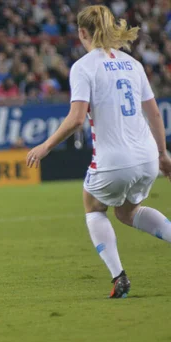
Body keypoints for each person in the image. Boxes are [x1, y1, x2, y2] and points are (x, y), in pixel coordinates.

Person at [26, 5, 171, 298]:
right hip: (146, 156)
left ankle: (119, 277)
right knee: (127, 212)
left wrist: (45, 146)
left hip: (115, 159)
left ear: (82, 32)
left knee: (93, 206)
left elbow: (77, 118)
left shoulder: (83, 67)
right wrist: (163, 154)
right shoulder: (133, 63)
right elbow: (154, 113)